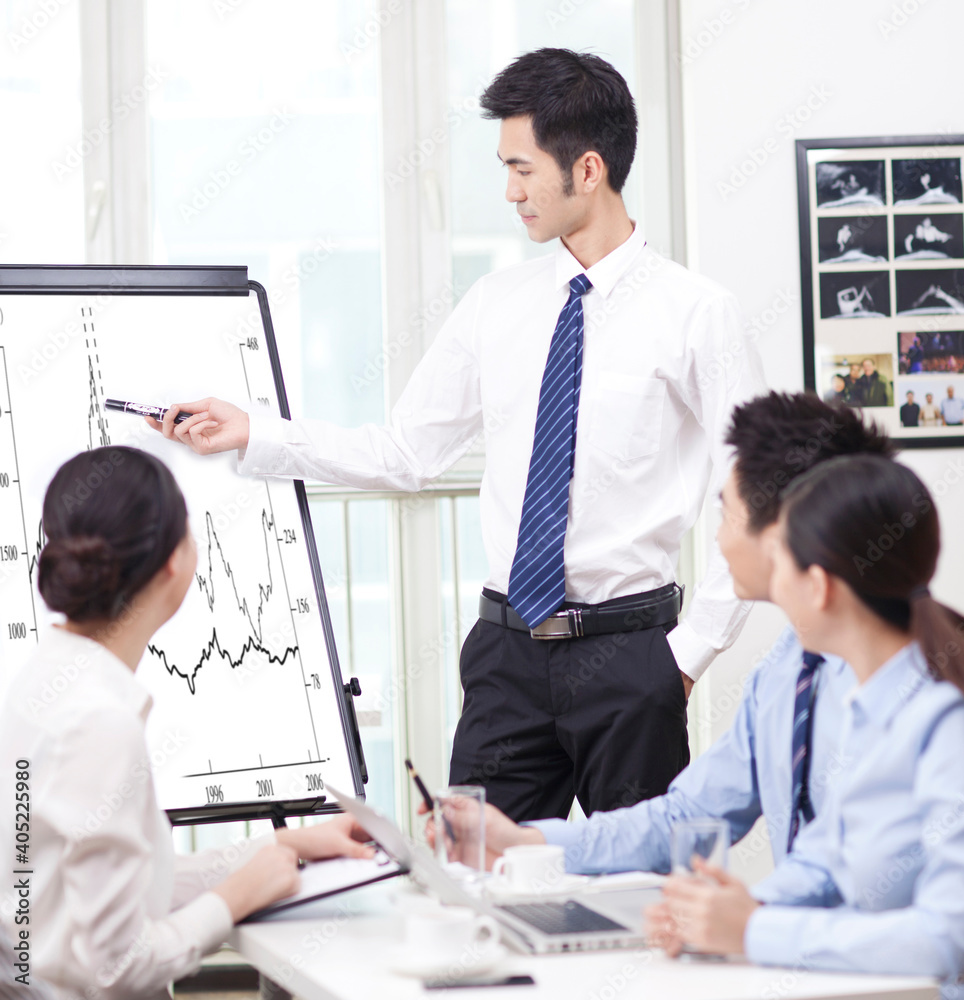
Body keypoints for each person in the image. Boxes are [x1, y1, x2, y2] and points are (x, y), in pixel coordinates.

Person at [150, 48, 764, 823]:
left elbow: (757, 490)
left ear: (587, 170)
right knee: (474, 882)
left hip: (631, 656)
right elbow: (408, 452)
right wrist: (256, 435)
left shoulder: (695, 314)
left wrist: (685, 657)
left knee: (637, 901)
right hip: (506, 658)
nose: (508, 192)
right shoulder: (493, 305)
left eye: (521, 169)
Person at [427, 393, 895, 874]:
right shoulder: (783, 678)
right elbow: (686, 815)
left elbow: (932, 927)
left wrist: (755, 923)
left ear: (790, 534)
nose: (718, 538)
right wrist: (524, 838)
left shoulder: (926, 706)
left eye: (729, 516)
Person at [0, 448, 376, 999]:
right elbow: (117, 967)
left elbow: (109, 895)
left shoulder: (41, 683)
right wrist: (235, 899)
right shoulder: (101, 725)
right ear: (175, 561)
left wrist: (283, 847)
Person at [647, 456, 964, 994]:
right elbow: (828, 861)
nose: (770, 584)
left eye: (781, 563)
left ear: (820, 587)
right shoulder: (865, 705)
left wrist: (755, 930)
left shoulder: (950, 724)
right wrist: (728, 910)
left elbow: (950, 939)